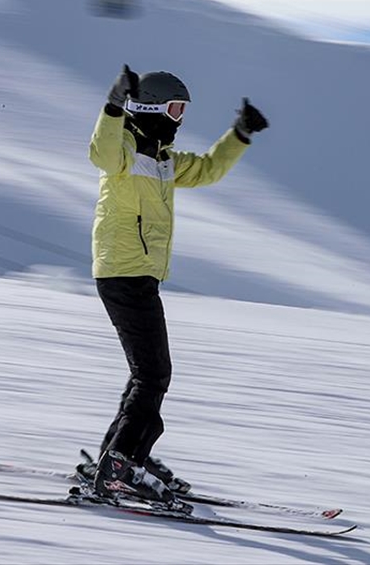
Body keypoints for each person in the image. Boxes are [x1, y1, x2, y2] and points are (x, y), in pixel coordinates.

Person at [82, 65, 269, 504]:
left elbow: (206, 170)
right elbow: (100, 153)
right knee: (153, 374)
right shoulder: (125, 150)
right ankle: (121, 466)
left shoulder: (163, 159)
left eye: (183, 110)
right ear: (150, 107)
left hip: (136, 275)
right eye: (175, 109)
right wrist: (111, 107)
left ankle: (119, 457)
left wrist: (239, 134)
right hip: (123, 274)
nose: (180, 118)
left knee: (146, 373)